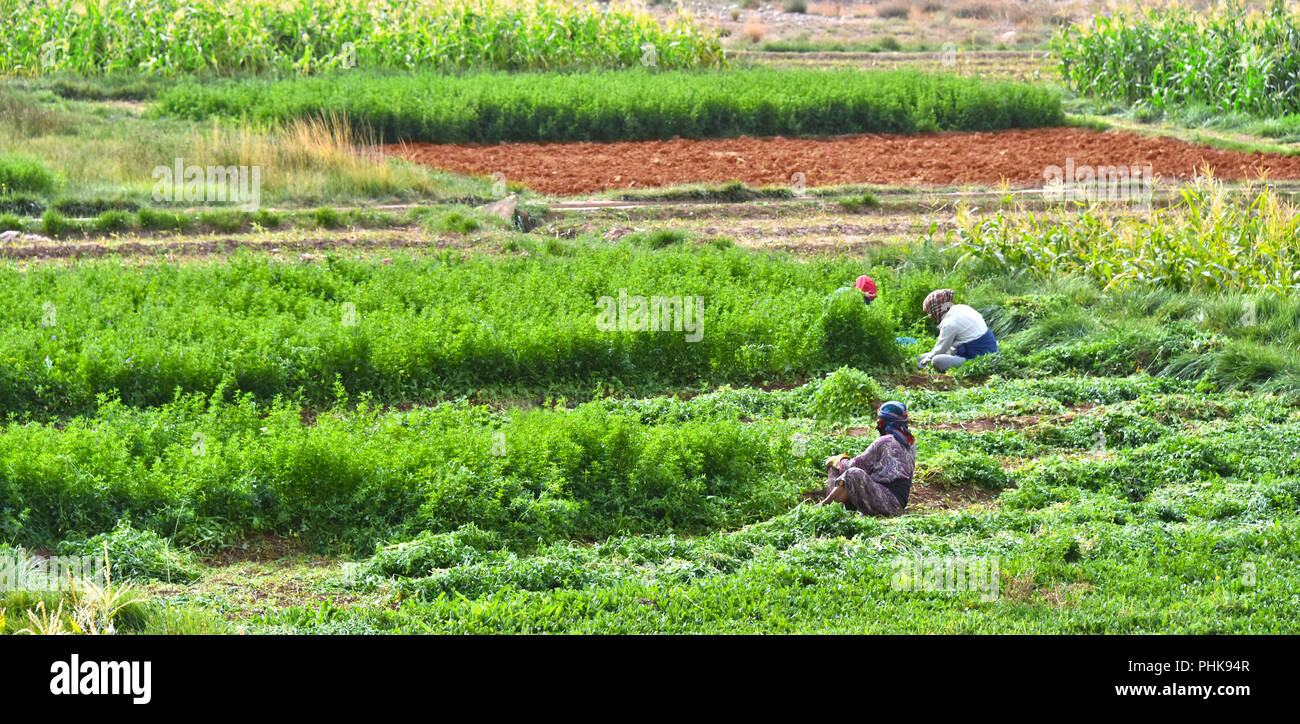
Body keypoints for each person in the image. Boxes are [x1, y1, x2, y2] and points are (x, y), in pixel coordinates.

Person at [820, 401, 916, 516]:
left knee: (849, 473)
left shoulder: (885, 441)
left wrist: (837, 460)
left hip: (887, 502)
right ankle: (837, 509)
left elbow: (855, 465)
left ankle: (826, 508)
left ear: (883, 423)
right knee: (851, 476)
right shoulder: (910, 442)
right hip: (898, 503)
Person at [916, 289, 998, 373]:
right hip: (990, 348)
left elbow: (940, 349)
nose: (930, 317)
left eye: (930, 313)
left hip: (979, 357)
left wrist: (923, 363)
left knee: (936, 361)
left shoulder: (949, 323)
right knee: (919, 357)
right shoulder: (961, 308)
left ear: (935, 310)